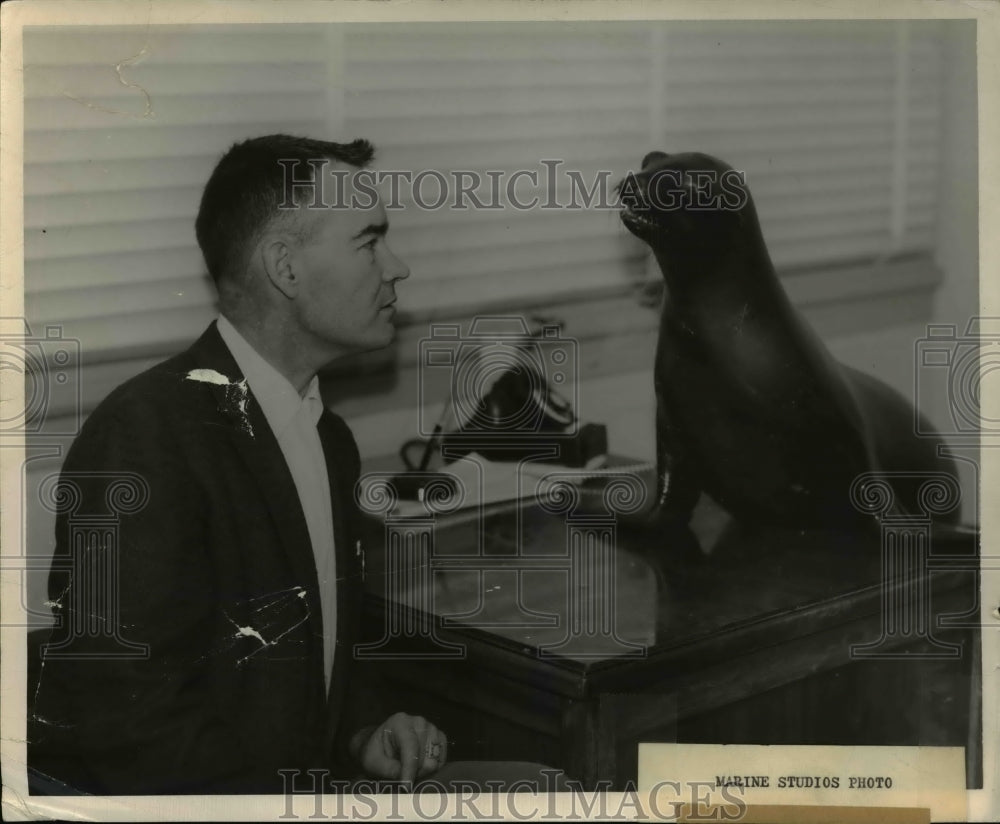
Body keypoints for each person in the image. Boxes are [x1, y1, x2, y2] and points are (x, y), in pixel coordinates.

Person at [28, 134, 559, 795]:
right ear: (285, 268)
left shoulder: (326, 436)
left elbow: (320, 659)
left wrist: (367, 732)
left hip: (301, 793)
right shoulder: (145, 438)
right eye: (370, 241)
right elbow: (128, 728)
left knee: (549, 786)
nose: (397, 267)